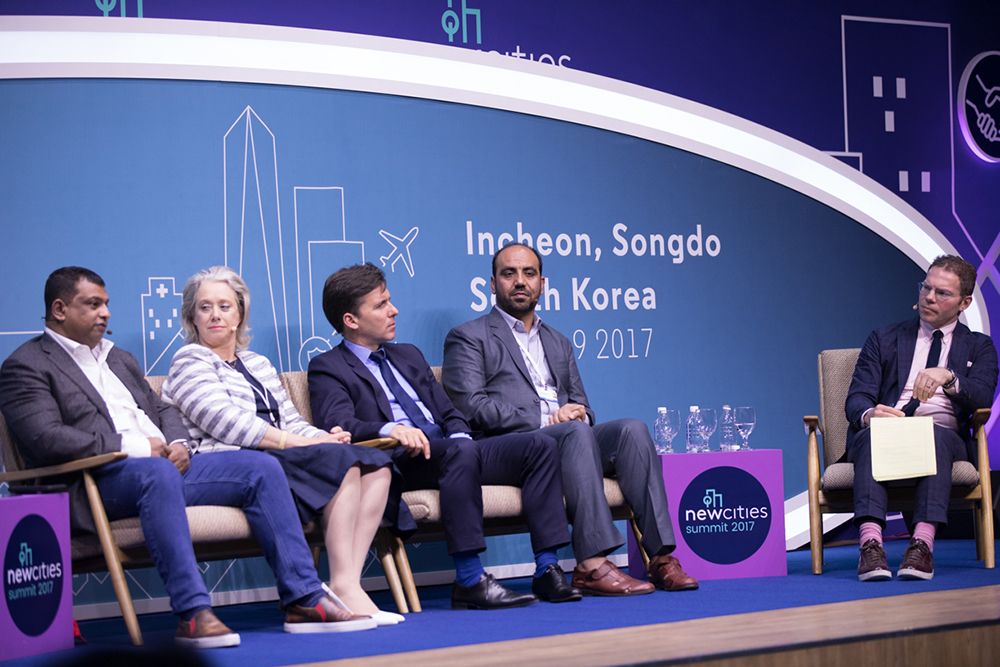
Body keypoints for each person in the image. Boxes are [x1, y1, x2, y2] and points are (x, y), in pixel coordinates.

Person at [0, 267, 376, 649]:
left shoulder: (117, 359)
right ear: (60, 309)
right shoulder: (27, 365)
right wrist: (138, 447)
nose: (106, 313)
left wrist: (178, 443)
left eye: (106, 304)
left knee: (260, 467)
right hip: (95, 481)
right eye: (93, 304)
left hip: (163, 467)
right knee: (156, 472)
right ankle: (194, 613)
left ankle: (304, 600)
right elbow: (46, 438)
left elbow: (162, 410)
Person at [309, 263, 579, 610]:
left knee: (539, 445)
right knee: (458, 453)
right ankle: (469, 579)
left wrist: (461, 435)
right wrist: (391, 429)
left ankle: (547, 569)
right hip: (399, 460)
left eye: (390, 300)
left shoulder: (408, 354)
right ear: (351, 320)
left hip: (452, 452)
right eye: (381, 305)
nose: (394, 310)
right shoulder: (328, 367)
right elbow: (338, 423)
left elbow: (449, 412)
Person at [443, 243, 698, 595]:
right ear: (492, 283)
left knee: (632, 430)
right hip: (507, 448)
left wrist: (579, 414)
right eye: (509, 273)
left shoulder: (558, 341)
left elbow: (582, 405)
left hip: (568, 438)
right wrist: (547, 418)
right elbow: (471, 407)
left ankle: (661, 557)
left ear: (542, 283)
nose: (520, 281)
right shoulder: (468, 336)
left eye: (529, 273)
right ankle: (591, 565)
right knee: (574, 433)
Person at [161, 267, 410, 626]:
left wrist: (321, 438)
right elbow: (225, 422)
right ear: (192, 317)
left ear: (240, 314)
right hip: (228, 459)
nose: (215, 315)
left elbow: (290, 420)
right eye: (205, 307)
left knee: (374, 463)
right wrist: (296, 444)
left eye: (225, 306)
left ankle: (347, 583)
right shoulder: (189, 360)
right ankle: (339, 589)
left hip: (277, 454)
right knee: (340, 463)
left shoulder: (257, 363)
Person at [844, 255, 997, 581]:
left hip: (945, 435)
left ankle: (922, 545)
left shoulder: (979, 346)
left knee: (932, 435)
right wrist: (871, 414)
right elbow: (857, 397)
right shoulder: (884, 338)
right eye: (926, 287)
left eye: (942, 293)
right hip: (886, 430)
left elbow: (983, 396)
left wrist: (950, 378)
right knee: (873, 436)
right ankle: (870, 546)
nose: (929, 297)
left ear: (964, 303)